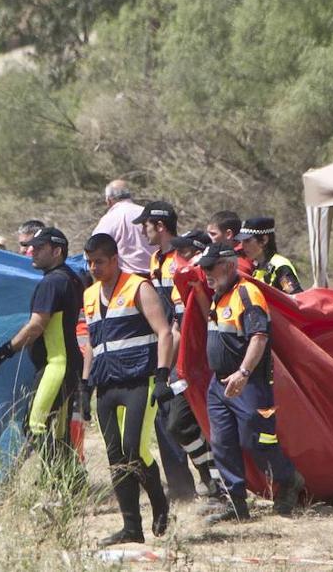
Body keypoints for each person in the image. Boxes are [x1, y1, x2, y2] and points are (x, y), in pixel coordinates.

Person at [195, 242, 304, 523]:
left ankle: (287, 480)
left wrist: (243, 373)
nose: (206, 273)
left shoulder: (247, 293)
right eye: (204, 268)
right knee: (222, 443)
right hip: (219, 385)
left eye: (211, 267)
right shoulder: (219, 295)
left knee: (256, 440)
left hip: (249, 383)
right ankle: (236, 504)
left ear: (229, 266)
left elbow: (259, 337)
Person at [82, 233, 175, 547]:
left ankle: (160, 502)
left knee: (133, 451)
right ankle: (131, 528)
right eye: (89, 262)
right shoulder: (90, 294)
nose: (93, 267)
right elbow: (92, 344)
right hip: (106, 385)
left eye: (99, 262)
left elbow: (164, 333)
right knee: (115, 458)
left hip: (139, 381)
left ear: (114, 259)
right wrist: (85, 385)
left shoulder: (139, 287)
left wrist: (162, 377)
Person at [0, 227, 85, 482]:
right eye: (31, 247)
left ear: (57, 251)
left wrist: (5, 351)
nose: (32, 252)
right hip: (68, 364)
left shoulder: (52, 282)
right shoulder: (70, 277)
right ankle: (72, 483)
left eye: (39, 248)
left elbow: (37, 325)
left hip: (57, 365)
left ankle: (63, 481)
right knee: (58, 431)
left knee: (35, 426)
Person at [134, 202, 223, 501]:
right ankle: (196, 483)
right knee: (173, 421)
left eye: (145, 225)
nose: (142, 230)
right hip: (171, 349)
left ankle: (218, 484)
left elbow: (191, 316)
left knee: (191, 419)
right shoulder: (155, 260)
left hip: (193, 353)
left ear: (159, 226)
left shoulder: (184, 263)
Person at [92, 179, 154, 275]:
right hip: (156, 276)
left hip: (128, 279)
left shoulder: (109, 218)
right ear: (129, 195)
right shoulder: (147, 213)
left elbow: (93, 248)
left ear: (108, 200)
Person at [237, 217, 303, 295]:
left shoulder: (279, 266)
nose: (242, 246)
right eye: (241, 241)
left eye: (247, 240)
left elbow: (295, 296)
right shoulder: (257, 269)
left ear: (264, 240)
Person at [207, 210, 255, 275]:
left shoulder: (238, 266)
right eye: (208, 233)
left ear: (228, 234)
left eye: (213, 234)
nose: (208, 238)